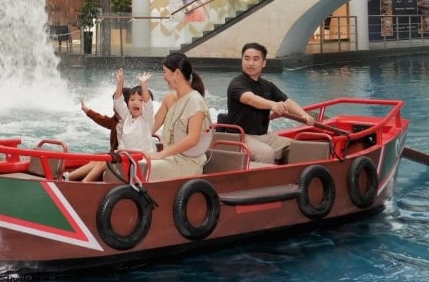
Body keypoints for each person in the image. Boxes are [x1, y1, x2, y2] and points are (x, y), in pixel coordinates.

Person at [225, 42, 315, 164]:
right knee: (266, 152)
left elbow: (286, 101)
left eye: (255, 59)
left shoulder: (267, 86)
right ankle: (262, 182)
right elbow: (250, 99)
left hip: (264, 136)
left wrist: (303, 115)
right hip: (240, 136)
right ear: (242, 61)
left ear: (264, 63)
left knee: (298, 147)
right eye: (247, 59)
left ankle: (294, 179)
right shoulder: (236, 84)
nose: (250, 63)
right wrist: (273, 105)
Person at [68, 69, 154, 182]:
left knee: (104, 162)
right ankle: (67, 177)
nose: (136, 102)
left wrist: (143, 84)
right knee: (100, 160)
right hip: (125, 157)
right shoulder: (126, 117)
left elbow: (148, 104)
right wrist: (120, 83)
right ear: (128, 104)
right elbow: (118, 101)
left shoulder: (146, 119)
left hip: (138, 159)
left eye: (140, 100)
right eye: (132, 100)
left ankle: (82, 184)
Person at [145, 52, 212, 181]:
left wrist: (161, 154)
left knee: (138, 168)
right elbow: (150, 127)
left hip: (187, 162)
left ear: (176, 73)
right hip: (168, 158)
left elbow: (193, 139)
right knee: (126, 162)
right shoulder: (168, 98)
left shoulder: (195, 100)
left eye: (165, 72)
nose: (163, 76)